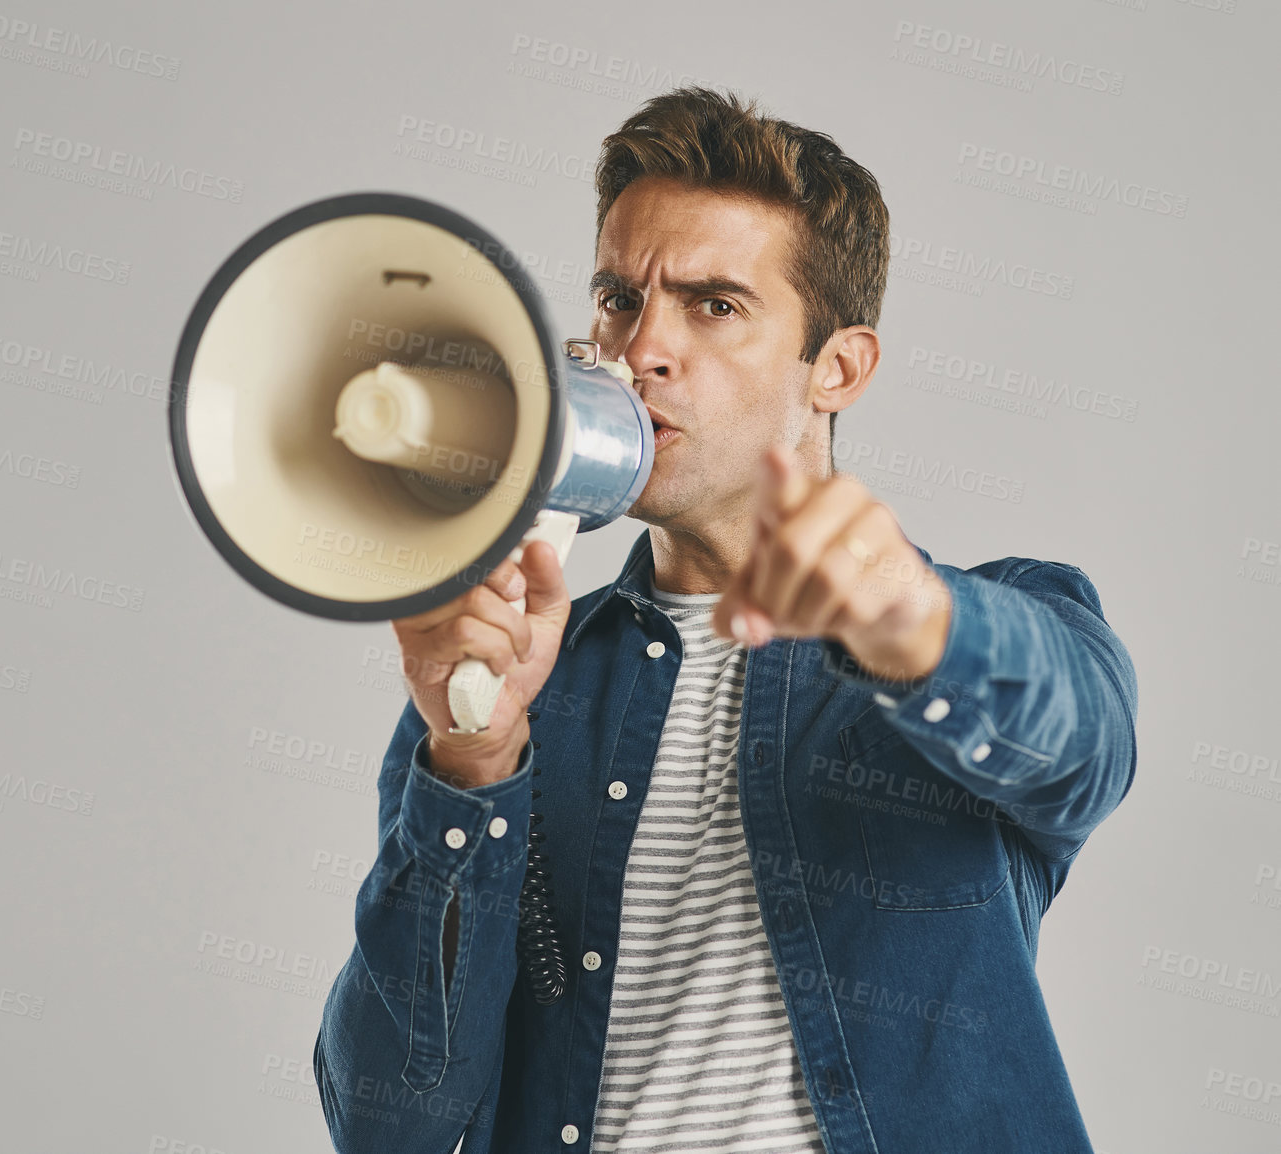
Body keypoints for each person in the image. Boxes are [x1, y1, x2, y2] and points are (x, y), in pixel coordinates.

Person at [313, 86, 1138, 1154]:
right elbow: (391, 1124)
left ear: (835, 368)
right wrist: (471, 759)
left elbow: (1084, 743)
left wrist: (904, 612)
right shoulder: (515, 685)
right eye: (617, 297)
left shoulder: (993, 621)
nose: (640, 345)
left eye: (712, 305)